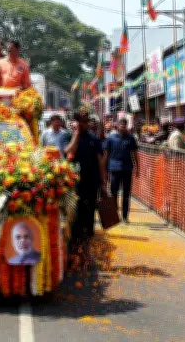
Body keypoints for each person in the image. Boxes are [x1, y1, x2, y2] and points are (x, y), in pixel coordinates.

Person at [65, 107, 107, 264]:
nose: (83, 124)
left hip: (91, 184)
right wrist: (76, 134)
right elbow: (68, 153)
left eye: (85, 121)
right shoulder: (69, 135)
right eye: (80, 121)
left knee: (89, 218)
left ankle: (86, 252)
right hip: (74, 185)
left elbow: (100, 162)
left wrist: (103, 184)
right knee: (74, 218)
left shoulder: (94, 139)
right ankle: (73, 251)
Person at [103, 118, 139, 222]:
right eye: (121, 125)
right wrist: (104, 170)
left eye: (124, 125)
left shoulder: (131, 138)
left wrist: (137, 168)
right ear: (117, 126)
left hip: (127, 169)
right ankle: (114, 215)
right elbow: (106, 154)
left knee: (126, 194)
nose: (123, 127)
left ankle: (124, 216)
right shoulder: (110, 138)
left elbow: (135, 153)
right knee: (113, 193)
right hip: (114, 169)